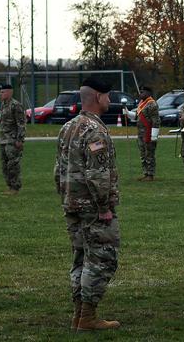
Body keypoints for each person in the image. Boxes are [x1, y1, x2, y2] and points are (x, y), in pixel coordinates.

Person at [53, 78, 120, 331]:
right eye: (108, 96)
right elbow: (98, 174)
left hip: (72, 204)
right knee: (102, 259)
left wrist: (66, 198)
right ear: (98, 97)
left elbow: (58, 170)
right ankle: (88, 316)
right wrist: (104, 207)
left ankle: (79, 315)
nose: (110, 100)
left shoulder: (68, 127)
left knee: (81, 258)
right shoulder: (94, 130)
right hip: (93, 208)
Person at [0, 82, 26, 195]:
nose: (1, 94)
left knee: (13, 165)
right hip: (4, 139)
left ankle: (15, 187)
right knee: (4, 165)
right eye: (0, 92)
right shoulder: (3, 105)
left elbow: (21, 123)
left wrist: (20, 139)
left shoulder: (16, 105)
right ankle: (9, 186)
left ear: (9, 92)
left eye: (3, 92)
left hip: (13, 140)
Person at [131, 86, 160, 181]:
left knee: (149, 154)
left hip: (148, 133)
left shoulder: (152, 104)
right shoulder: (142, 103)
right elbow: (137, 116)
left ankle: (150, 174)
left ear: (148, 93)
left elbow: (156, 121)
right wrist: (128, 113)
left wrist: (154, 135)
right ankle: (145, 173)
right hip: (141, 133)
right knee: (143, 154)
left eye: (142, 92)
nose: (140, 94)